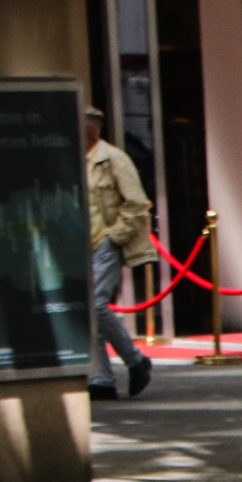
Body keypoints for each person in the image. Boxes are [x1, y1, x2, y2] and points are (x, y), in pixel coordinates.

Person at [83, 107, 154, 401]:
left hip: (104, 241)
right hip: (80, 244)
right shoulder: (75, 159)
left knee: (97, 304)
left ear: (91, 128)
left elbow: (137, 203)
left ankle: (136, 360)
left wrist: (116, 237)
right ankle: (101, 378)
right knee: (89, 310)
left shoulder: (112, 158)